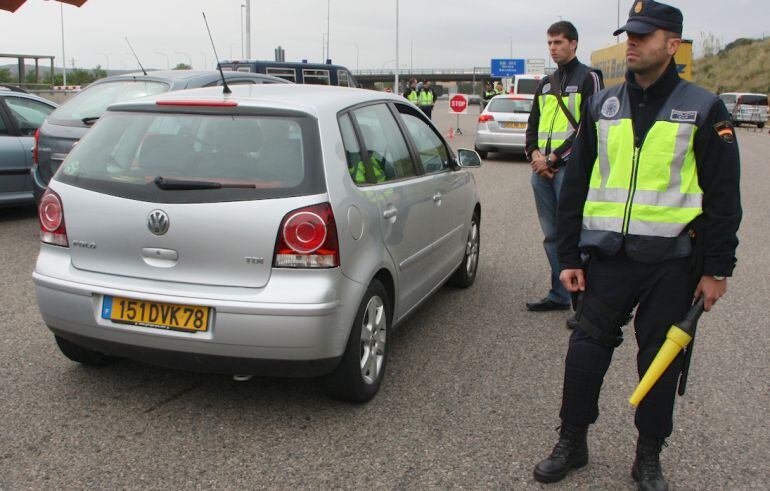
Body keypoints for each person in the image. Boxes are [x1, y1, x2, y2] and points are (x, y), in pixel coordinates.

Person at [532, 2, 742, 490]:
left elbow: (723, 198)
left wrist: (717, 269)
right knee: (584, 353)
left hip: (672, 262)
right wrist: (568, 257)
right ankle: (572, 440)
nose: (633, 42)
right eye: (630, 33)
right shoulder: (603, 105)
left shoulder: (704, 108)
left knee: (660, 362)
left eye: (644, 35)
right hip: (608, 257)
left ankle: (648, 455)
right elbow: (576, 185)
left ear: (672, 45)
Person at [524, 20, 603, 314]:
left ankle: (583, 305)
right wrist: (534, 155)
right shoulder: (546, 83)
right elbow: (532, 124)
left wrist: (554, 158)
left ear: (573, 44)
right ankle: (559, 295)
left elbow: (589, 126)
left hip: (569, 170)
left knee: (576, 235)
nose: (553, 48)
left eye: (558, 42)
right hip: (542, 171)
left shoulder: (589, 78)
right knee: (552, 236)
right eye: (549, 43)